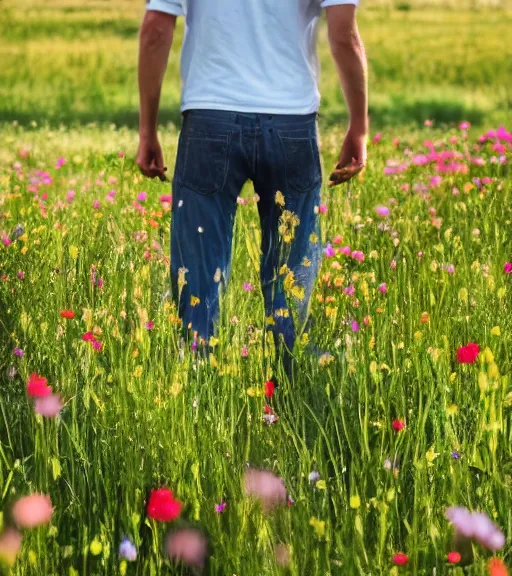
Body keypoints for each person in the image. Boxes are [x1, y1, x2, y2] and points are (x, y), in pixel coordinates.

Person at [137, 0, 368, 375]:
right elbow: (344, 36)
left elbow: (155, 32)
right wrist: (358, 125)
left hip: (209, 119)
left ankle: (197, 385)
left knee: (198, 266)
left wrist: (147, 129)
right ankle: (289, 384)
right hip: (291, 121)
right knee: (292, 264)